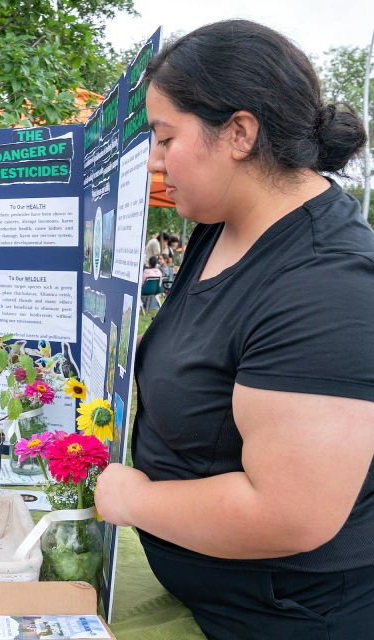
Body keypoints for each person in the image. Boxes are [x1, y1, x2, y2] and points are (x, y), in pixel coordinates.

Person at [95, 20, 374, 639]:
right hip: (215, 595)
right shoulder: (219, 228)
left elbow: (290, 515)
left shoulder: (328, 284)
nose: (157, 162)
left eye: (165, 138)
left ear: (240, 133)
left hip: (289, 616)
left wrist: (132, 501)